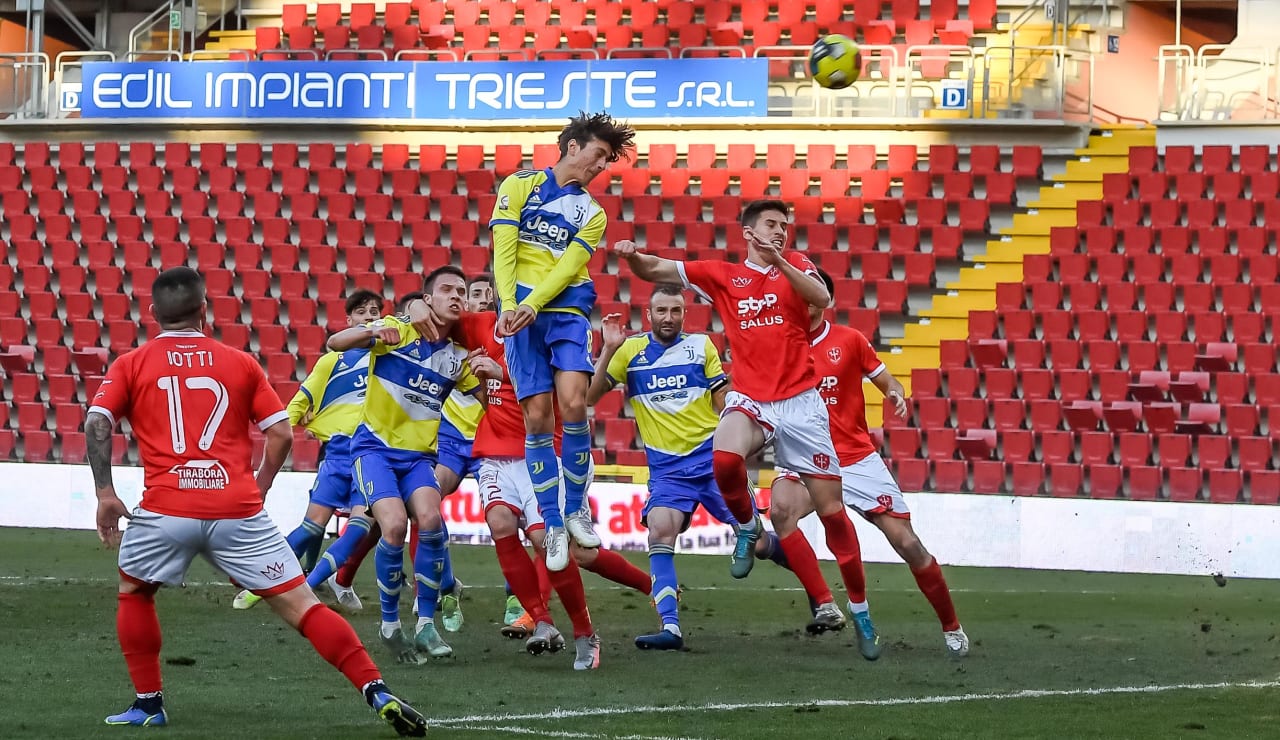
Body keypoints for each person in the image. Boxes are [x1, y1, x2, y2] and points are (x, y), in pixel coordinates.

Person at [85, 267, 426, 736]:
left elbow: (97, 423)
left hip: (166, 508)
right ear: (205, 311)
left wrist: (105, 492)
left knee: (135, 591)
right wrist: (261, 481)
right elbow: (281, 432)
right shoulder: (240, 362)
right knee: (304, 607)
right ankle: (376, 690)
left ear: (152, 314)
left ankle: (148, 704)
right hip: (238, 510)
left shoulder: (132, 363)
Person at [613, 199, 870, 637]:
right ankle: (748, 527)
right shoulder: (723, 275)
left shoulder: (798, 264)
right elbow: (658, 270)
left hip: (802, 404)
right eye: (771, 224)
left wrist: (780, 263)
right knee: (726, 457)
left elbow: (822, 297)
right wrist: (634, 257)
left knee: (831, 514)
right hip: (752, 398)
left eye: (784, 226)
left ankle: (857, 608)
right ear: (748, 232)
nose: (780, 231)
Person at [769, 269, 969, 658]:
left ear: (825, 300)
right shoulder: (778, 345)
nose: (806, 301)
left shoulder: (849, 341)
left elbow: (887, 381)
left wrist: (896, 394)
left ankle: (951, 626)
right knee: (780, 511)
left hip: (857, 458)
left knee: (908, 543)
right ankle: (827, 603)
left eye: (814, 294)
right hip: (805, 457)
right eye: (800, 294)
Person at [587, 285, 783, 650]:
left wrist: (739, 426)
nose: (668, 317)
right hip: (667, 470)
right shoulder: (629, 352)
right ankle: (671, 627)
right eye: (661, 310)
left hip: (711, 459)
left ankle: (818, 593)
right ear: (649, 315)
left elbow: (722, 397)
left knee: (757, 542)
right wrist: (609, 349)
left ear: (684, 314)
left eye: (675, 311)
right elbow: (588, 397)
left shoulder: (701, 347)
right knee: (660, 531)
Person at [487, 111, 636, 570]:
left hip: (566, 306)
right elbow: (504, 249)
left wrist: (534, 303)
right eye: (599, 155)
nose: (601, 165)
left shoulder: (592, 214)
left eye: (608, 160)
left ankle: (575, 508)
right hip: (520, 312)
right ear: (573, 146)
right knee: (536, 418)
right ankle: (551, 522)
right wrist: (510, 304)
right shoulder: (517, 186)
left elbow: (569, 266)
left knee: (573, 403)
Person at [328, 266, 498, 663]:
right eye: (446, 290)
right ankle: (390, 624)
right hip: (374, 451)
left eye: (461, 290)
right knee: (393, 525)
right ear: (428, 298)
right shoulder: (397, 330)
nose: (456, 296)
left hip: (419, 457)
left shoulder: (459, 357)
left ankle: (425, 623)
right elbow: (336, 341)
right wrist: (372, 332)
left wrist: (494, 378)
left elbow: (492, 406)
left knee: (432, 519)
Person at [231, 289, 382, 613]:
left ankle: (307, 587)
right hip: (339, 453)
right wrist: (302, 423)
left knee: (358, 529)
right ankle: (260, 581)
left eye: (374, 312)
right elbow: (300, 403)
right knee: (311, 527)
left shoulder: (387, 359)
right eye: (361, 313)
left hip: (373, 456)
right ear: (349, 321)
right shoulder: (332, 361)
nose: (368, 317)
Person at [433, 274, 527, 634]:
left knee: (509, 518)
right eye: (475, 294)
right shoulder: (454, 332)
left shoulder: (511, 338)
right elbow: (420, 312)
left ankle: (515, 595)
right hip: (454, 437)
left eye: (491, 294)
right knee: (425, 502)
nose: (483, 299)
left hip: (496, 438)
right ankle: (444, 587)